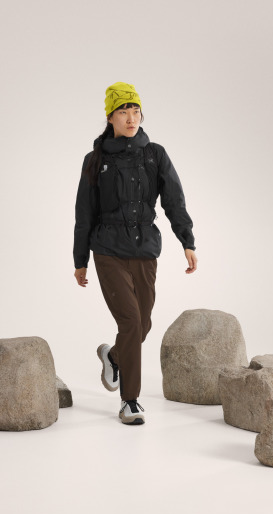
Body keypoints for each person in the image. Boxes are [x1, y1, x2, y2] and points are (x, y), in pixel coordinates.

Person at [73, 82, 198, 425]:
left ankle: (114, 357)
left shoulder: (155, 155)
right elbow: (84, 213)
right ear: (110, 117)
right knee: (130, 321)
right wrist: (80, 260)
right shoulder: (95, 160)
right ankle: (130, 401)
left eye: (135, 111)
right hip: (108, 251)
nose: (131, 118)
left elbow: (174, 199)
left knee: (142, 323)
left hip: (144, 249)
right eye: (123, 111)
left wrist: (186, 241)